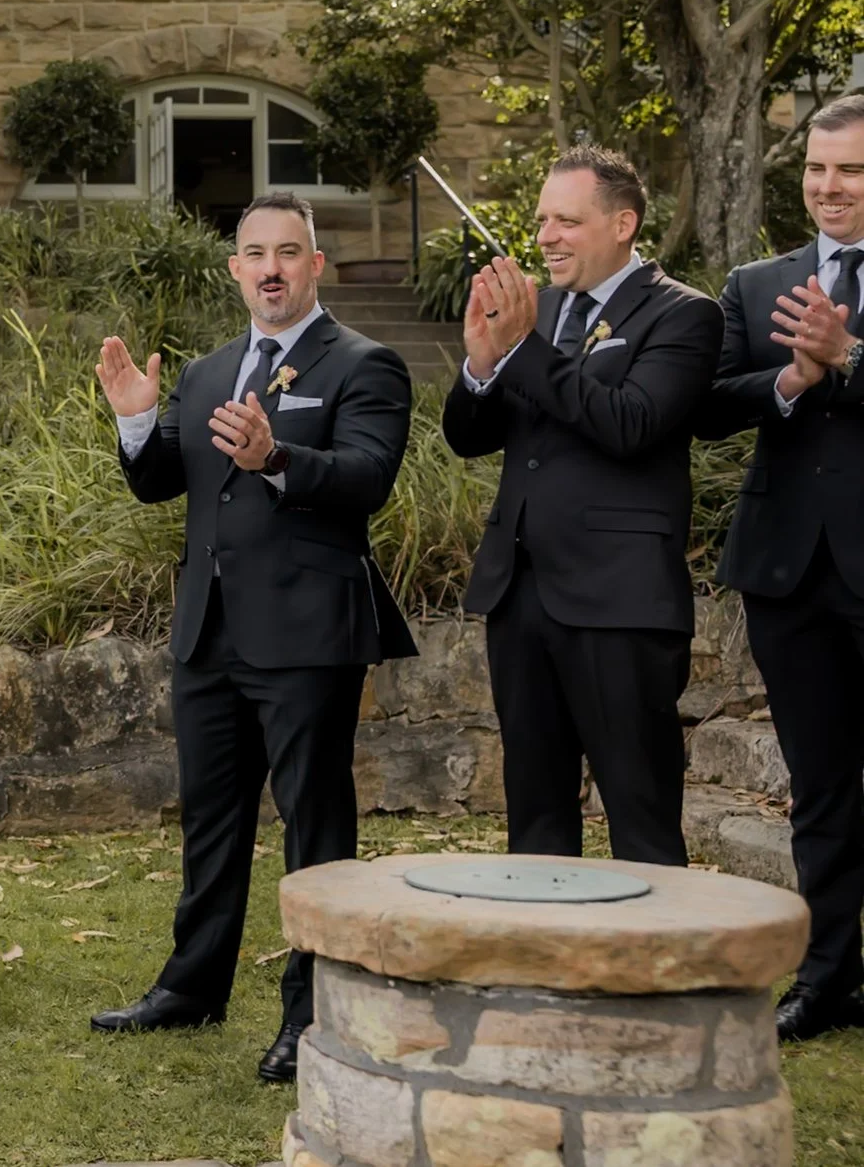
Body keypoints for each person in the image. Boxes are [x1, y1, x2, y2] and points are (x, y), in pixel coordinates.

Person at [91, 192, 416, 1084]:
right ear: (234, 268)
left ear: (316, 265)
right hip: (210, 632)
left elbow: (366, 478)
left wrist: (277, 457)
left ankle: (314, 1007)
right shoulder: (207, 371)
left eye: (288, 251)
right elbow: (167, 480)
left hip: (309, 633)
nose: (270, 267)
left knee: (315, 828)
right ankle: (191, 988)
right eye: (254, 252)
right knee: (211, 824)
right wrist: (133, 418)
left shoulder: (365, 364)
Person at [443, 145, 723, 867]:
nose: (545, 236)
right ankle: (547, 978)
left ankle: (661, 977)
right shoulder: (542, 311)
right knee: (534, 818)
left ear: (623, 222)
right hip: (521, 593)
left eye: (567, 220)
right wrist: (482, 362)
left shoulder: (685, 315)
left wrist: (524, 347)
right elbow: (468, 437)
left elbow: (630, 424)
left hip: (619, 600)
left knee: (642, 817)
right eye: (542, 219)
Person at [697, 91, 864, 1042]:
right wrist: (793, 379)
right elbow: (715, 403)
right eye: (815, 168)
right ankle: (831, 975)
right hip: (788, 571)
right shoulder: (758, 281)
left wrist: (848, 354)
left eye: (848, 169)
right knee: (821, 782)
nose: (828, 186)